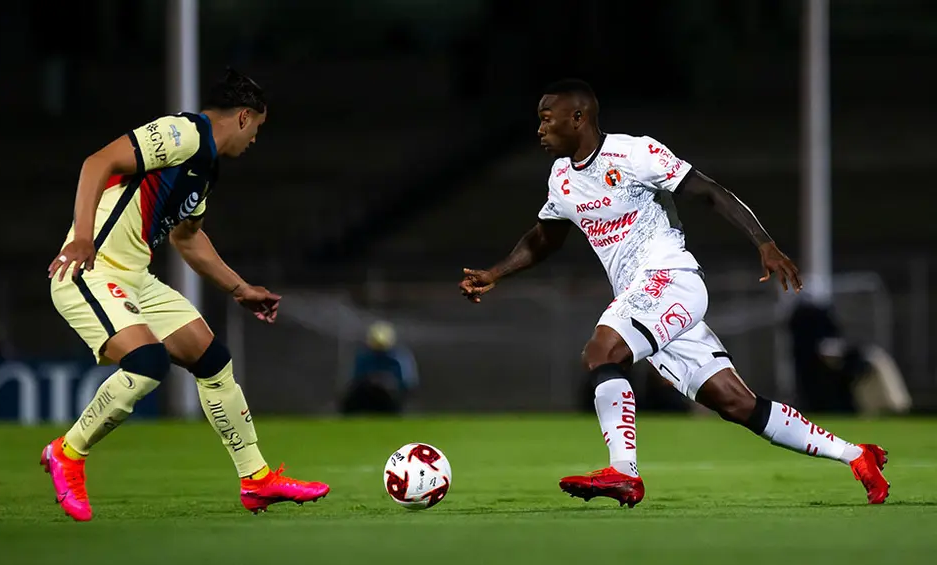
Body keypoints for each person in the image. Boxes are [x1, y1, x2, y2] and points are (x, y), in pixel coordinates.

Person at [458, 79, 889, 507]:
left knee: (601, 353)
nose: (540, 130)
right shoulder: (561, 178)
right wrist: (495, 272)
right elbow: (544, 238)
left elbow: (708, 191)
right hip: (646, 298)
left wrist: (764, 243)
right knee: (737, 403)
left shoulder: (633, 153)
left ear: (579, 118)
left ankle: (624, 472)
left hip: (670, 278)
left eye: (547, 120)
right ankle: (857, 456)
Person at [43, 68, 329, 522]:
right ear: (242, 117)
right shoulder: (183, 133)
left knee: (212, 360)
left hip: (135, 276)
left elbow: (187, 239)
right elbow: (97, 163)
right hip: (89, 269)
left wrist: (240, 289)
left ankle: (256, 480)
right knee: (147, 364)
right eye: (257, 127)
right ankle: (67, 452)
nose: (254, 139)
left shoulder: (204, 169)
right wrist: (82, 237)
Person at [342, 321, 419, 415]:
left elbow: (407, 383)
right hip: (366, 393)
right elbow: (356, 379)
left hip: (391, 396)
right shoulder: (364, 357)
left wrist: (386, 383)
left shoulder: (399, 358)